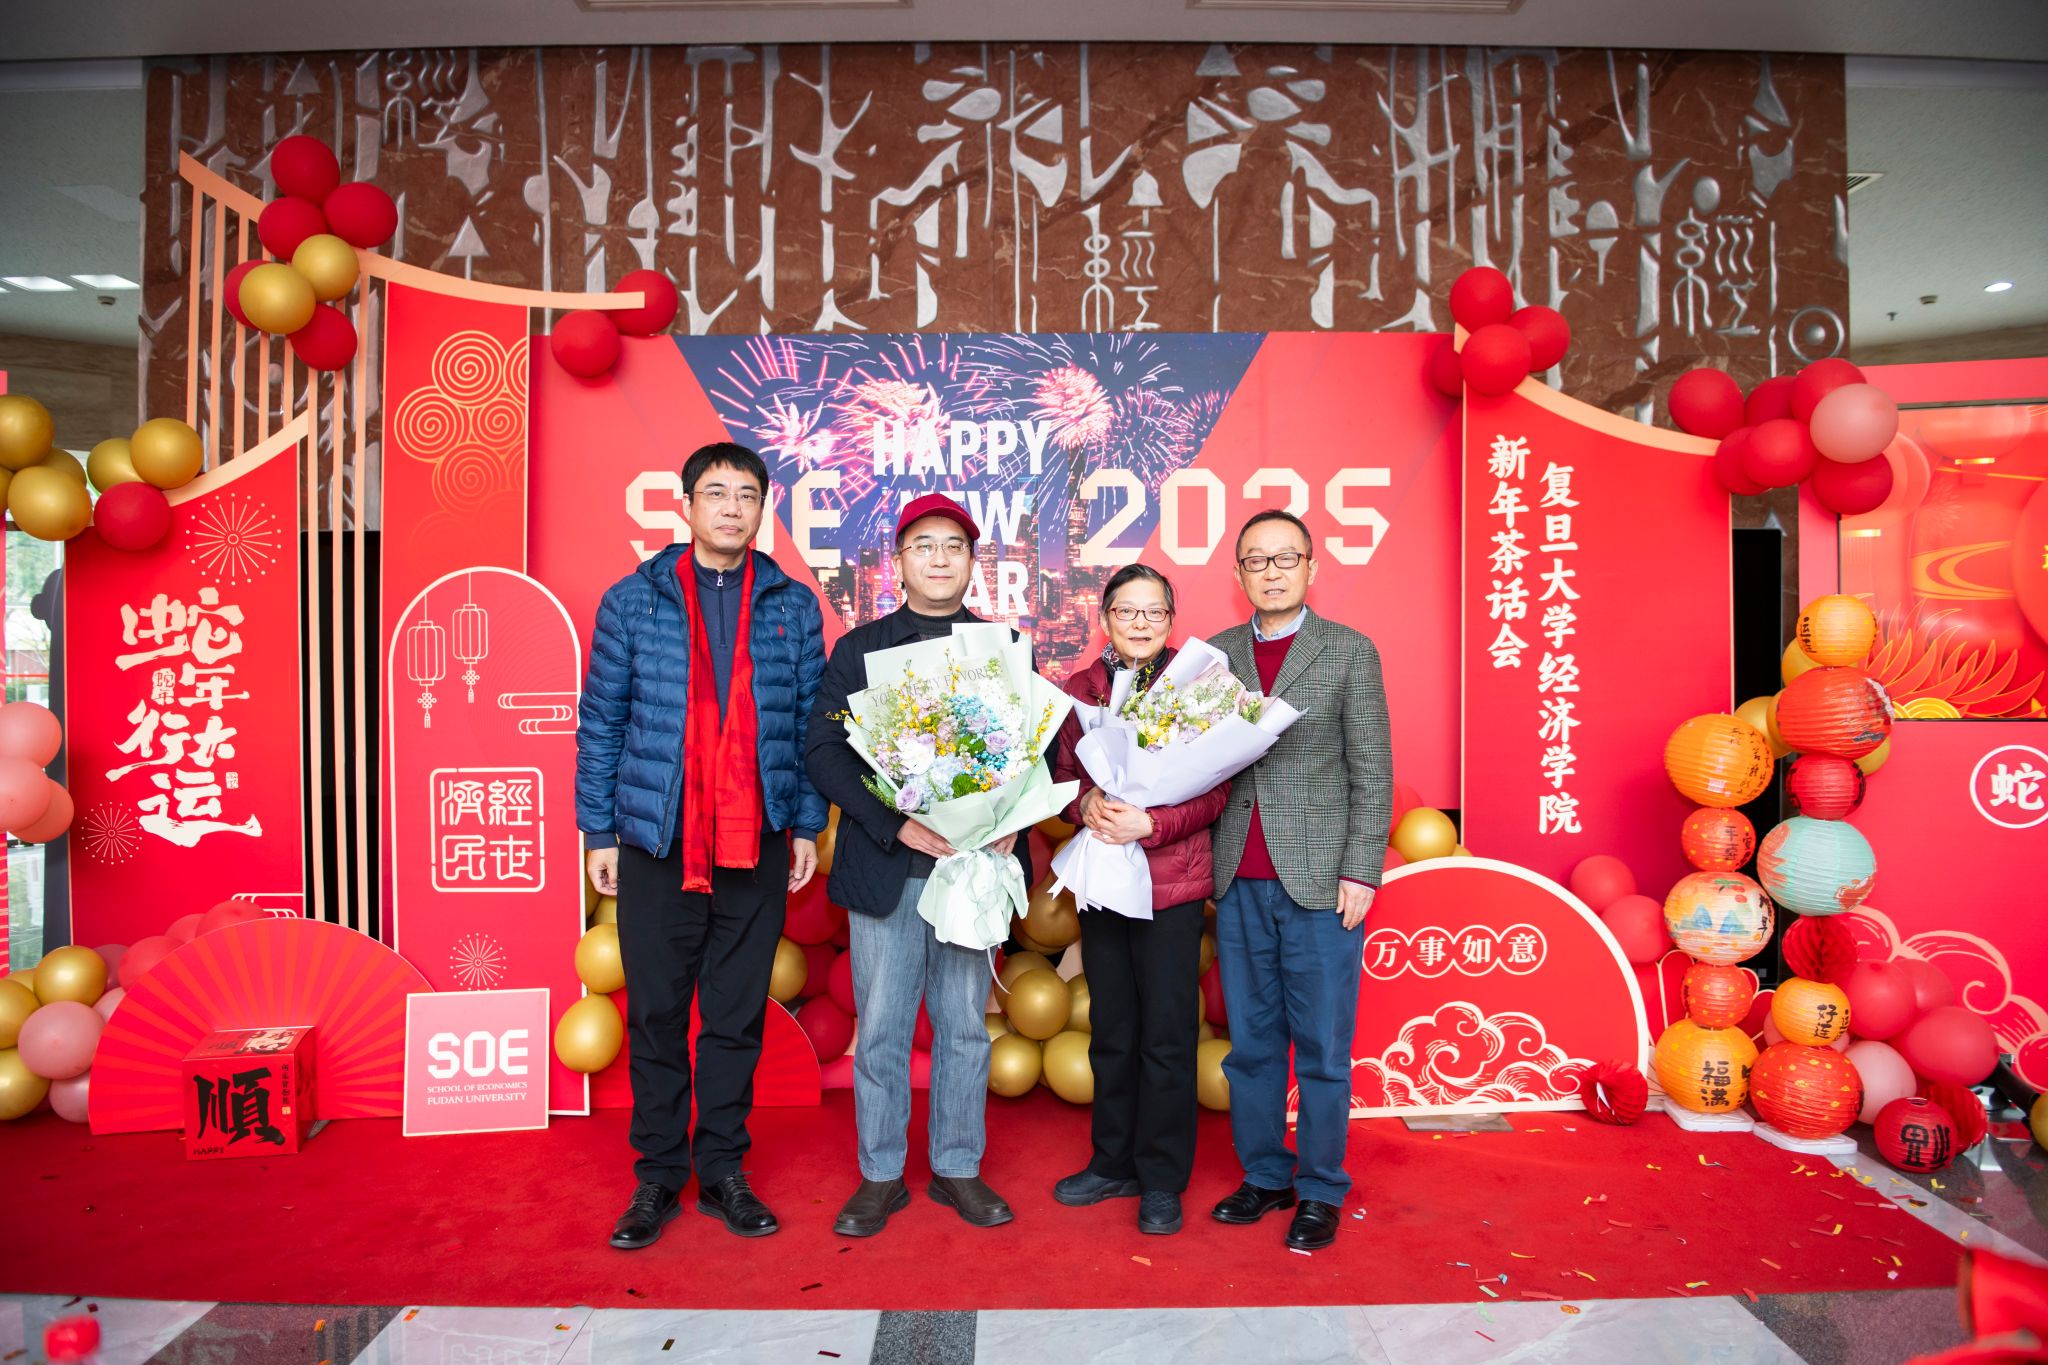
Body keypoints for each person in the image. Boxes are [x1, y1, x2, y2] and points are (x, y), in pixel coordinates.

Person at [576, 441, 828, 1250]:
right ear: (686, 505)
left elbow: (810, 726)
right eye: (715, 492)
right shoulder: (633, 600)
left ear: (762, 509)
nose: (731, 507)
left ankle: (721, 1169)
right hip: (659, 838)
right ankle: (657, 1174)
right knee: (656, 1013)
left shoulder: (792, 605)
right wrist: (599, 830)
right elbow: (603, 721)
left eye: (746, 495)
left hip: (756, 837)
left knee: (734, 1012)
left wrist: (805, 823)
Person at [806, 493, 1031, 1238]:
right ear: (898, 563)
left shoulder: (1006, 647)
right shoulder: (860, 649)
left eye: (954, 546)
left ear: (972, 562)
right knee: (881, 1029)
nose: (940, 558)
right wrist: (894, 823)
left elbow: (1028, 756)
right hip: (887, 870)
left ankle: (957, 1165)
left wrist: (1011, 823)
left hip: (968, 872)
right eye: (924, 545)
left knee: (964, 1026)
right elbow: (824, 753)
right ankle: (880, 1175)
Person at [1207, 509, 1393, 1251]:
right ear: (1239, 575)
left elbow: (1372, 769)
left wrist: (1361, 869)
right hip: (1236, 876)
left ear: (1312, 568)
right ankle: (1265, 1175)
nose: (1273, 571)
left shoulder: (1349, 651)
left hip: (1321, 882)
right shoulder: (1216, 656)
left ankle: (1319, 1187)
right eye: (1257, 560)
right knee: (1250, 1045)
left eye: (1287, 558)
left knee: (1320, 1047)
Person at [1047, 565, 1229, 1236]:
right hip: (1102, 878)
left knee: (1168, 1034)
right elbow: (1060, 781)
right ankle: (1112, 1161)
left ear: (1171, 619)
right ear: (1105, 619)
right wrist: (1087, 803)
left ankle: (1161, 1178)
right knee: (1113, 1028)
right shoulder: (1080, 690)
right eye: (1127, 610)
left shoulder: (1199, 685)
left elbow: (1216, 791)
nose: (1141, 622)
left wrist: (1153, 823)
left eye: (1155, 611)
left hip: (1170, 882)